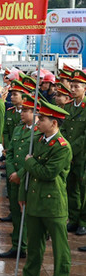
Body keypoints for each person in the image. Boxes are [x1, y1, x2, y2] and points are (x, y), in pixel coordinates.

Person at [11, 100, 72, 276]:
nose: (37, 122)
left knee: (60, 248)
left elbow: (47, 173)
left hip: (52, 203)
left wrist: (29, 162)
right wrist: (22, 196)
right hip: (34, 200)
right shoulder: (37, 141)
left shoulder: (62, 147)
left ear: (54, 123)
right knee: (34, 245)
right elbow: (28, 175)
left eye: (42, 119)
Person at [0, 92, 37, 259]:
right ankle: (17, 245)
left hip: (28, 178)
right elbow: (11, 152)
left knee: (27, 214)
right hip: (14, 177)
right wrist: (11, 171)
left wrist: (20, 173)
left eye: (26, 111)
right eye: (22, 110)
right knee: (15, 212)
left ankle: (27, 245)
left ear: (35, 112)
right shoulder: (18, 129)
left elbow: (36, 157)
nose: (22, 113)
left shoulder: (38, 132)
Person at [62, 69, 86, 235]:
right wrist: (65, 148)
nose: (73, 89)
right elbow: (63, 128)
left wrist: (71, 150)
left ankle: (83, 221)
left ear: (84, 88)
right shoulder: (68, 106)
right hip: (69, 154)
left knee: (83, 189)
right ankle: (74, 218)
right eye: (72, 86)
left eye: (77, 86)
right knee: (71, 187)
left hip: (82, 155)